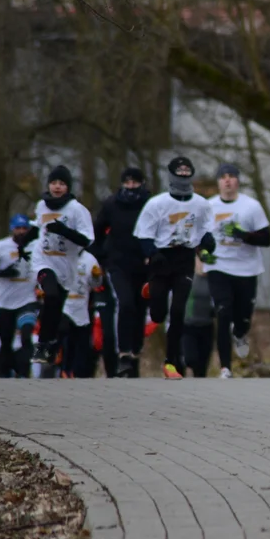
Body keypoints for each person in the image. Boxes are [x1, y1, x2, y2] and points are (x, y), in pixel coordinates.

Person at [133, 156, 217, 380]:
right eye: (178, 170)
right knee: (159, 315)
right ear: (171, 175)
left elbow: (207, 232)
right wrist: (152, 253)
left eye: (186, 170)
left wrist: (208, 243)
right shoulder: (156, 204)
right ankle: (152, 289)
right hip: (161, 258)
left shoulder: (201, 204)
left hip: (184, 259)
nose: (182, 173)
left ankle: (171, 363)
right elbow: (143, 236)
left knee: (178, 311)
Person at [205, 163, 270, 378]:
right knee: (223, 311)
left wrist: (243, 235)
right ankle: (225, 367)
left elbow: (267, 239)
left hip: (246, 268)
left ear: (238, 181)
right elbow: (198, 237)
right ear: (217, 182)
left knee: (243, 316)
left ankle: (241, 334)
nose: (227, 180)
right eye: (223, 176)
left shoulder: (251, 206)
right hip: (218, 266)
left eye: (231, 176)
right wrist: (203, 254)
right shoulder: (208, 207)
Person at [28, 166, 95, 367]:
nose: (57, 187)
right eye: (54, 183)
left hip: (66, 266)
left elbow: (87, 240)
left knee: (56, 306)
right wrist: (24, 243)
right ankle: (41, 344)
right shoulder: (41, 205)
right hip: (43, 261)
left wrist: (64, 231)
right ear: (49, 185)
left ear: (68, 187)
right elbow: (37, 228)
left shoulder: (76, 209)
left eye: (62, 184)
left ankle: (51, 343)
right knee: (51, 295)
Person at [92, 166, 151, 378]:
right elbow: (96, 232)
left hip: (144, 266)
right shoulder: (111, 204)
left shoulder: (150, 204)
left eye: (135, 182)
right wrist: (102, 258)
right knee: (125, 303)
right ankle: (124, 353)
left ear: (142, 184)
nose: (131, 186)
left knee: (140, 309)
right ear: (122, 184)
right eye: (127, 183)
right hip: (118, 264)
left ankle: (135, 352)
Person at [0, 214, 40, 377]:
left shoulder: (36, 246)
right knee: (5, 341)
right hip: (5, 301)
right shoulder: (0, 246)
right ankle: (4, 375)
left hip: (27, 300)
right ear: (11, 229)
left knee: (26, 336)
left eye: (24, 228)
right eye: (18, 228)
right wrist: (1, 273)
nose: (21, 231)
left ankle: (24, 373)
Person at [59, 249, 104, 378]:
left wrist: (97, 276)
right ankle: (63, 368)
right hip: (64, 305)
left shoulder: (90, 259)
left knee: (80, 341)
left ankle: (75, 371)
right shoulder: (61, 256)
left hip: (82, 307)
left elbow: (96, 284)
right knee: (65, 334)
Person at [182, 255, 215, 378]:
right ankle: (186, 371)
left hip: (207, 325)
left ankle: (198, 388)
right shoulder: (189, 278)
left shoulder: (214, 280)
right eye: (200, 262)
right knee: (191, 359)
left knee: (202, 366)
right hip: (188, 325)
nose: (203, 265)